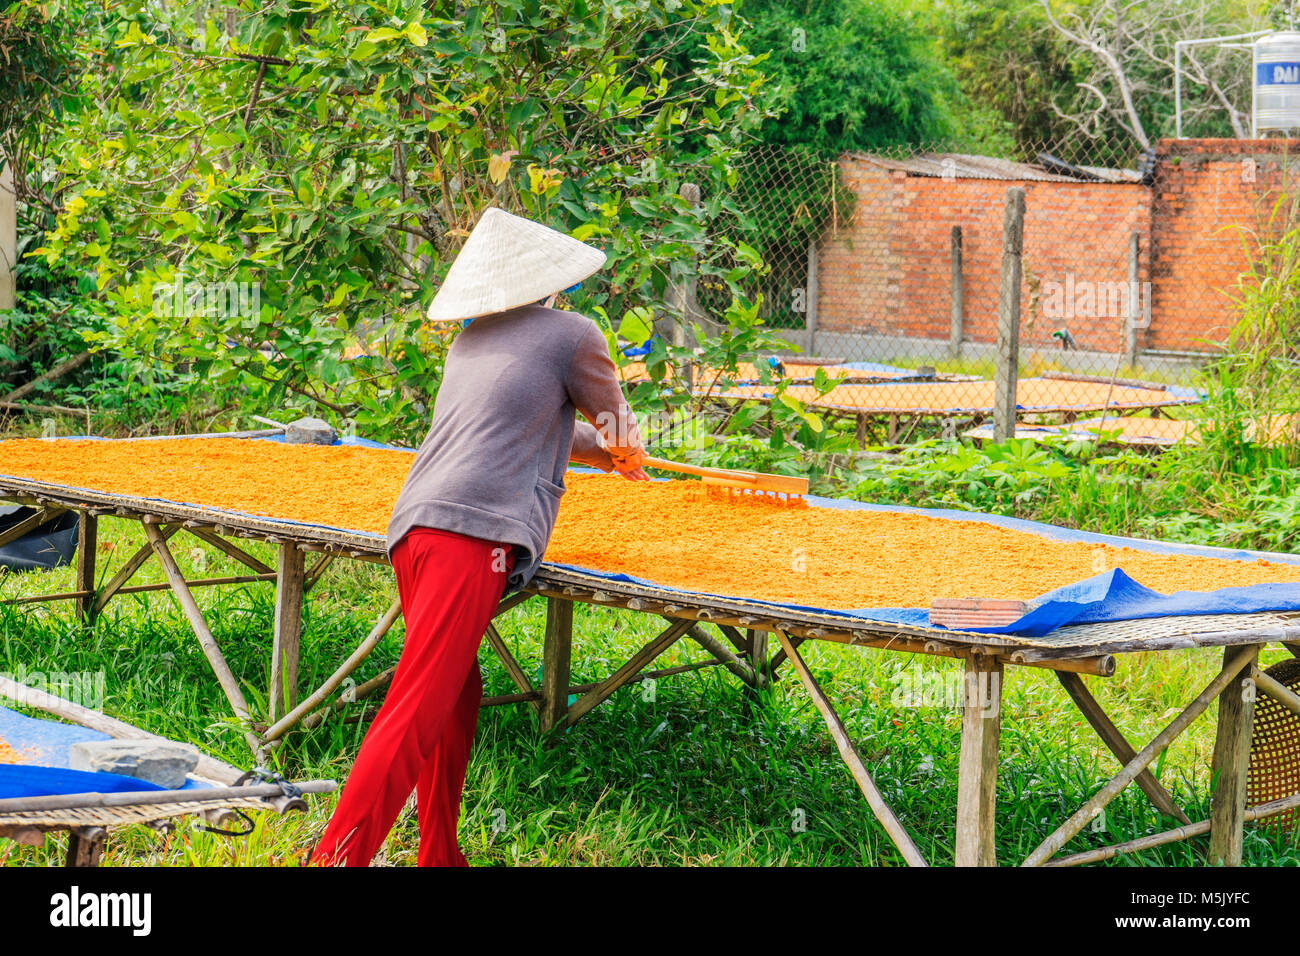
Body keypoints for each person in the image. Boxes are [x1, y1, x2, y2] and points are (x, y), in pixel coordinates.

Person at [312, 208, 647, 867]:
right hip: (472, 535)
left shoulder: (472, 339)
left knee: (453, 692)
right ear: (553, 280)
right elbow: (617, 427)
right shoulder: (574, 334)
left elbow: (530, 426)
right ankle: (333, 859)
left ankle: (439, 853)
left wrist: (603, 451)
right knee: (414, 706)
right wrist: (628, 452)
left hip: (416, 530)